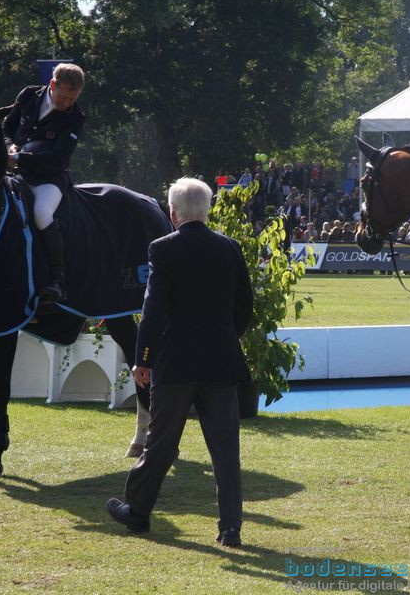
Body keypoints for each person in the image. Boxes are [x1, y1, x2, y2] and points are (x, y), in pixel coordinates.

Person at [106, 177, 253, 546]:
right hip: (221, 362)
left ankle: (137, 511)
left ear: (172, 212)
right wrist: (224, 337)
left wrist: (143, 358)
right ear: (207, 210)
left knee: (161, 444)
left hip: (176, 365)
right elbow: (244, 307)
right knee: (225, 450)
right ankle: (230, 527)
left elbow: (153, 310)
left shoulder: (163, 249)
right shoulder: (229, 248)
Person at [3, 63, 85, 302]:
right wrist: (10, 145)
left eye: (72, 99)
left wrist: (19, 157)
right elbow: (7, 125)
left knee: (40, 213)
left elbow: (58, 157)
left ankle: (57, 279)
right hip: (15, 172)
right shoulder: (29, 95)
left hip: (49, 178)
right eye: (64, 97)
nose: (67, 104)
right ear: (52, 85)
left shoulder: (76, 117)